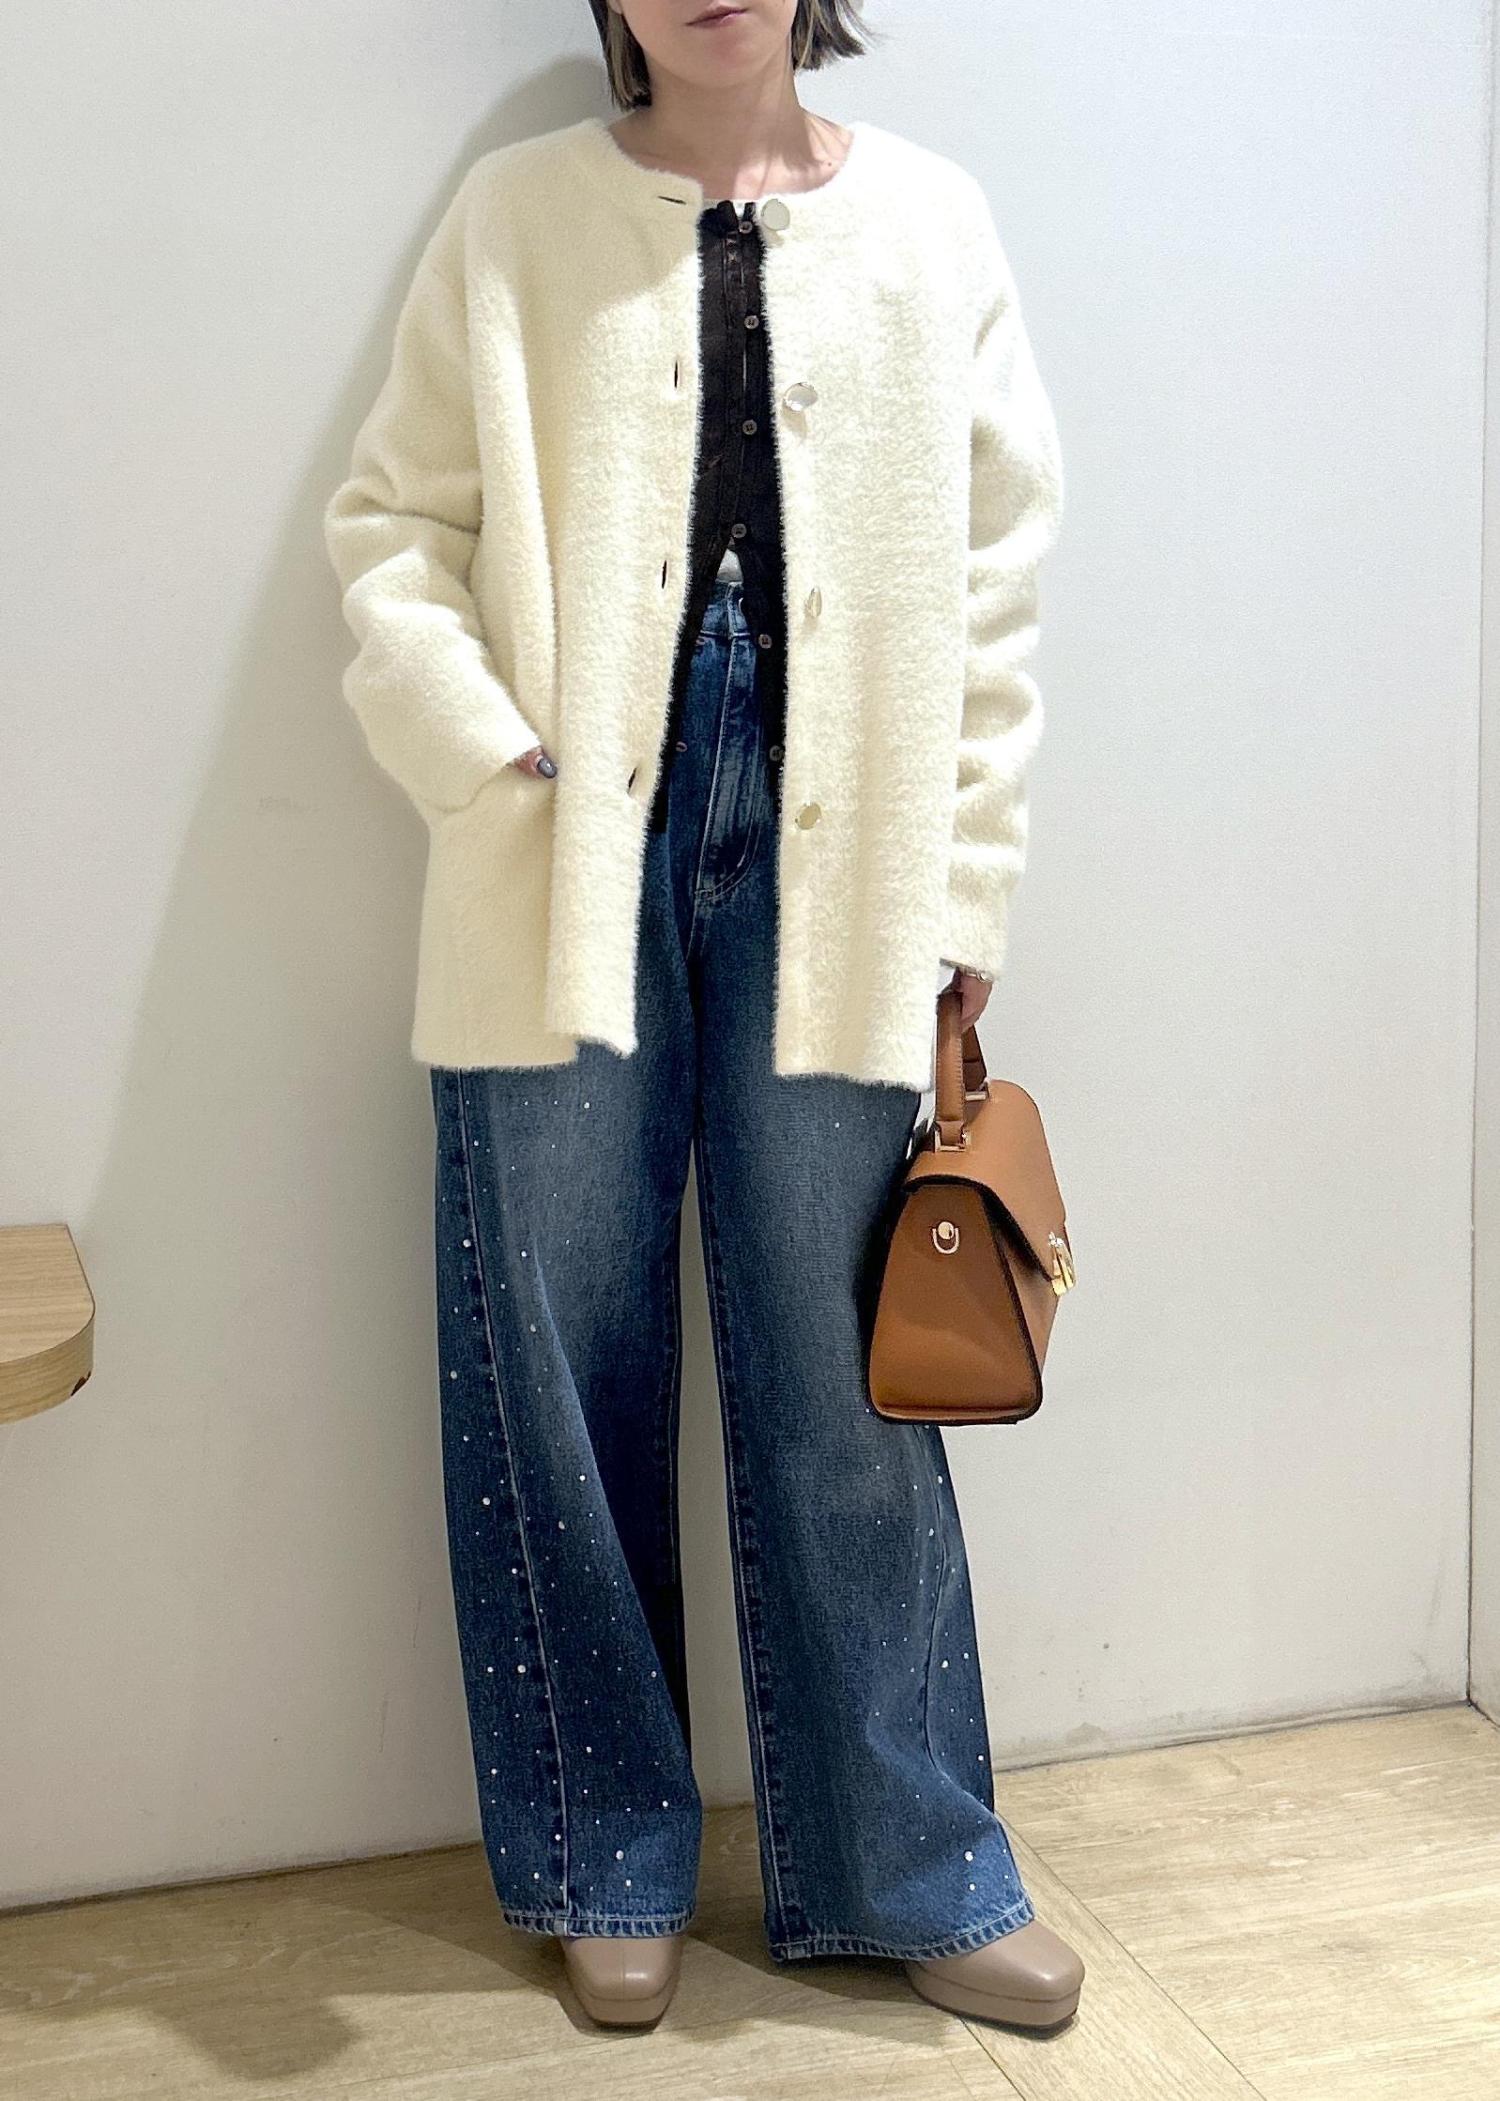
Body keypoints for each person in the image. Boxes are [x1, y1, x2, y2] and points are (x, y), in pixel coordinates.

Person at [323, 0, 1081, 2035]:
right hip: (558, 850)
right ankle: (604, 1849)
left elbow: (1001, 583)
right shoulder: (513, 219)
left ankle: (909, 1859)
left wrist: (965, 887)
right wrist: (489, 758)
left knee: (851, 1369)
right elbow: (391, 532)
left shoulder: (933, 224)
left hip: (845, 863)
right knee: (557, 1355)